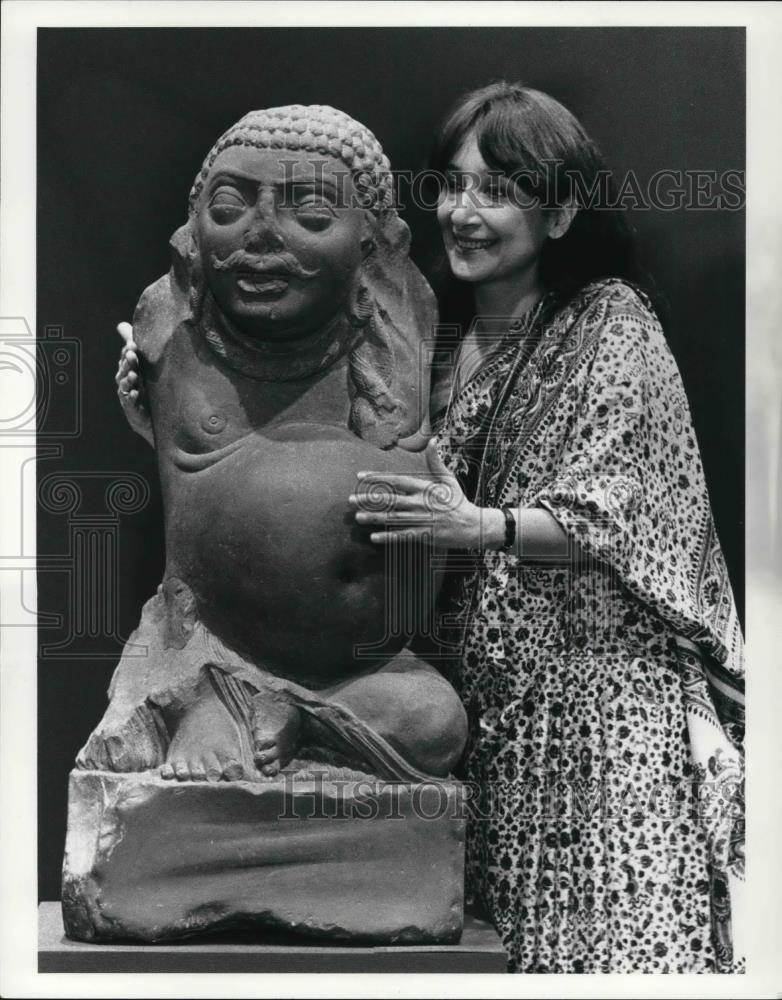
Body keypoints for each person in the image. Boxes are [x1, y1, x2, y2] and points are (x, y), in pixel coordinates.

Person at [348, 83, 745, 973]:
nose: (462, 212)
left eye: (496, 191)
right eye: (453, 187)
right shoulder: (436, 346)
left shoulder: (612, 325)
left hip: (605, 742)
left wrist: (477, 524)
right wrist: (162, 408)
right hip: (487, 737)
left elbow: (611, 515)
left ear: (561, 210)